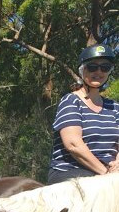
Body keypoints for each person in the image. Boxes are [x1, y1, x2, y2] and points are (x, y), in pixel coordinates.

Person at [48, 44, 119, 184]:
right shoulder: (71, 101)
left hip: (110, 175)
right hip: (71, 171)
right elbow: (73, 144)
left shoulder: (115, 107)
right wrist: (105, 173)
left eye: (105, 67)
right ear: (82, 70)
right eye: (92, 67)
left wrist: (117, 165)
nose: (98, 71)